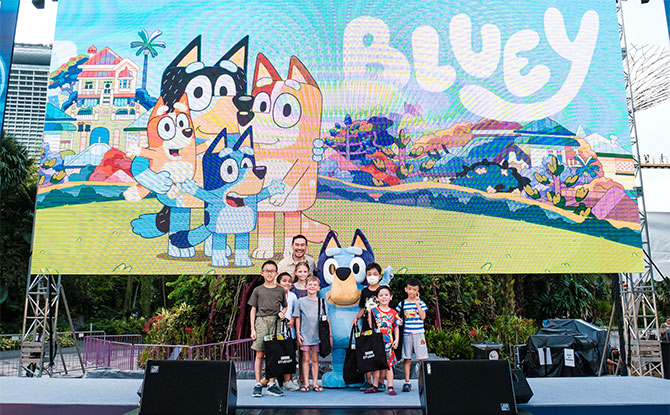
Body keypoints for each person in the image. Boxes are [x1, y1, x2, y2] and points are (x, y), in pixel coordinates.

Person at [248, 260, 288, 398]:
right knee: (260, 353)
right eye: (267, 271)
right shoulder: (257, 290)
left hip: (276, 323)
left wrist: (283, 313)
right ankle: (258, 383)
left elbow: (285, 306)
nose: (269, 273)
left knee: (274, 355)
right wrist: (253, 329)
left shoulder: (280, 290)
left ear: (276, 273)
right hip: (261, 322)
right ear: (262, 273)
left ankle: (271, 383)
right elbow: (253, 309)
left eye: (272, 271)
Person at [295, 276, 332, 392]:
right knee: (305, 358)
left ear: (318, 288)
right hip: (305, 334)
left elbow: (327, 319)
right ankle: (306, 383)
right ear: (305, 286)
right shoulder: (300, 301)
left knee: (315, 359)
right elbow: (297, 318)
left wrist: (330, 335)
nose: (312, 287)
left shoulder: (322, 302)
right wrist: (298, 333)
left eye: (314, 285)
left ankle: (315, 383)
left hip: (318, 335)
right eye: (310, 284)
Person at [364, 286, 401, 395]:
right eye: (381, 295)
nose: (384, 297)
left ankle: (390, 386)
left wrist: (397, 340)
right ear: (377, 298)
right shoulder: (374, 311)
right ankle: (374, 386)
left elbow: (396, 327)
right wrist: (369, 314)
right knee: (376, 365)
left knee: (389, 365)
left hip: (388, 343)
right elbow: (371, 326)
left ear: (391, 297)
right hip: (376, 342)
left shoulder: (394, 312)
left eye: (386, 295)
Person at [352, 262, 383, 391]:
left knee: (380, 353)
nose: (372, 276)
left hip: (380, 326)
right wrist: (356, 317)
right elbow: (363, 308)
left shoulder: (383, 290)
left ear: (380, 276)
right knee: (367, 352)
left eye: (375, 274)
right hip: (366, 326)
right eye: (369, 274)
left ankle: (380, 381)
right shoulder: (364, 291)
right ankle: (368, 380)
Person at [396, 278, 428, 392]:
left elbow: (423, 316)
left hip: (419, 333)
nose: (411, 292)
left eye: (414, 290)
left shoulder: (421, 303)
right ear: (406, 289)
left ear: (418, 291)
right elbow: (397, 317)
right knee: (407, 358)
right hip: (407, 333)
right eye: (409, 289)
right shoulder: (402, 303)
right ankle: (407, 382)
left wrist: (417, 304)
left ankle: (424, 381)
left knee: (422, 358)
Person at [277, 272, 300, 391]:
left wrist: (292, 320)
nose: (287, 283)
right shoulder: (274, 294)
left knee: (290, 355)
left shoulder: (293, 296)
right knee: (278, 356)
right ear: (278, 283)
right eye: (284, 281)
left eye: (290, 281)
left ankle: (288, 380)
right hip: (277, 329)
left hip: (290, 330)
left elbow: (295, 311)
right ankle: (277, 381)